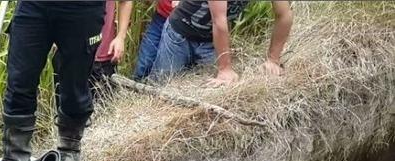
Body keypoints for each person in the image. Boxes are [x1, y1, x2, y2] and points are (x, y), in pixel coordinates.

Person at [0, 1, 106, 161]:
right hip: (34, 5)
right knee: (20, 81)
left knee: (75, 84)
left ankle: (69, 151)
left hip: (83, 8)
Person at [150, 0, 293, 87]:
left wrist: (273, 60)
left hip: (209, 42)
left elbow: (285, 14)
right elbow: (219, 21)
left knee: (210, 92)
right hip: (178, 34)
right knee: (161, 86)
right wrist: (225, 69)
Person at [90, 0, 134, 93]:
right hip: (70, 56)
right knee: (66, 106)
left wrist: (120, 37)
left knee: (105, 104)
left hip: (104, 55)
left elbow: (125, 2)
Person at [133, 0, 176, 81]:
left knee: (163, 72)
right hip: (160, 17)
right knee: (144, 63)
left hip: (181, 24)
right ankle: (134, 88)